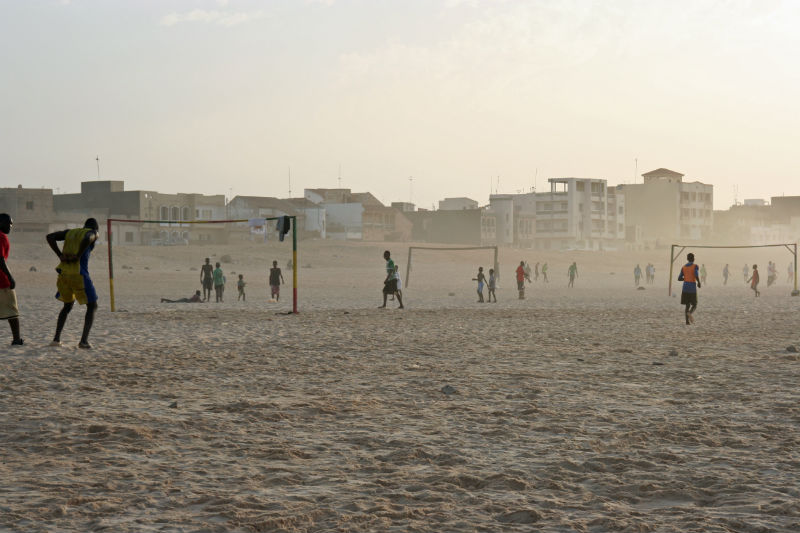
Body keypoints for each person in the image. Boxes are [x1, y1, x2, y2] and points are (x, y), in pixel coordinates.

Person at [47, 218, 99, 348]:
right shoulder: (93, 232)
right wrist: (78, 255)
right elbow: (88, 238)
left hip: (63, 273)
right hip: (78, 274)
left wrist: (59, 254)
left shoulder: (71, 232)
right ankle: (83, 341)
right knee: (92, 306)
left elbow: (50, 236)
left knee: (67, 306)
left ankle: (56, 339)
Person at [0, 214, 23, 346]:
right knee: (12, 311)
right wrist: (10, 277)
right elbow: (0, 259)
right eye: (9, 223)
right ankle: (16, 339)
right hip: (2, 281)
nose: (11, 226)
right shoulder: (1, 237)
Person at [677, 252, 701, 325]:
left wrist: (686, 278)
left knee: (687, 305)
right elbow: (696, 274)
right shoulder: (695, 266)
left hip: (685, 288)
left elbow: (679, 278)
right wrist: (699, 282)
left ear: (687, 259)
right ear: (693, 259)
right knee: (694, 304)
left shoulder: (683, 267)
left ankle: (687, 322)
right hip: (692, 288)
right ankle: (689, 313)